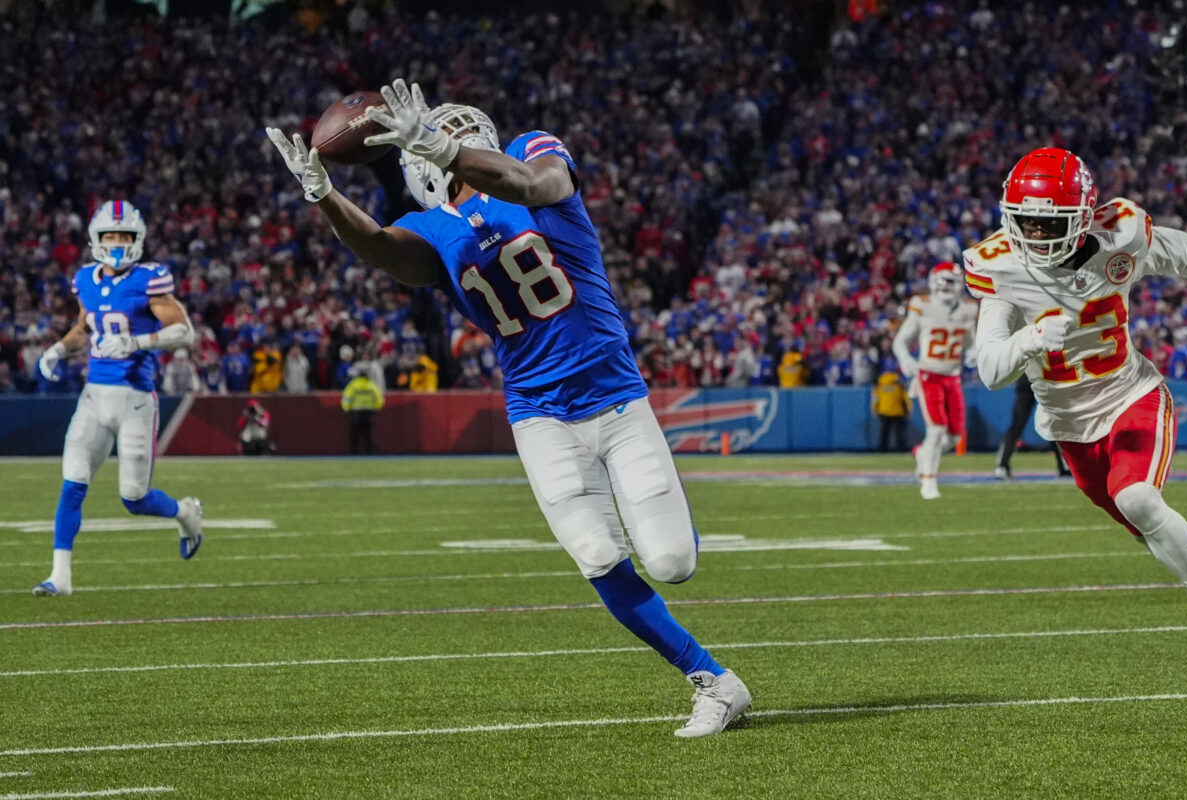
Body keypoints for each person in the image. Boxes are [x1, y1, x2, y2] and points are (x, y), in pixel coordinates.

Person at [267, 78, 750, 737]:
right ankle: (714, 681)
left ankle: (675, 529)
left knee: (672, 564)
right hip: (539, 415)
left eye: (460, 135)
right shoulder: (432, 229)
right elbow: (384, 249)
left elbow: (537, 185)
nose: (453, 142)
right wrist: (325, 195)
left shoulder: (533, 156)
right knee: (596, 555)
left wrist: (440, 147)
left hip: (613, 397)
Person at [970, 146, 1187, 618]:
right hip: (1067, 427)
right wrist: (1031, 338)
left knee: (1137, 497)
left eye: (1050, 223)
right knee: (1142, 524)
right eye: (1025, 221)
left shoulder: (1121, 236)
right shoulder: (1003, 268)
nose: (1035, 234)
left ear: (1083, 215)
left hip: (1131, 394)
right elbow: (992, 370)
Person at [32, 201, 203, 596]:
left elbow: (184, 332)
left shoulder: (149, 279)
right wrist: (58, 349)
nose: (117, 243)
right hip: (94, 397)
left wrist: (135, 341)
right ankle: (60, 576)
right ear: (96, 239)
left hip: (136, 401)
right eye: (111, 235)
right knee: (73, 482)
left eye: (124, 236)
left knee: (134, 498)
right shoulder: (85, 280)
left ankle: (186, 513)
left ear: (137, 240)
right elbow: (84, 328)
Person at [892, 262, 978, 499]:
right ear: (934, 280)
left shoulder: (968, 310)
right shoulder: (924, 306)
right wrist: (905, 358)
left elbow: (970, 343)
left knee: (954, 436)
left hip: (953, 377)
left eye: (952, 281)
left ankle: (923, 453)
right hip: (929, 374)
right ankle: (928, 481)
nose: (947, 286)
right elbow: (900, 341)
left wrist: (973, 353)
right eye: (944, 280)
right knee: (937, 429)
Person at [994, 374, 1071, 480]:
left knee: (1018, 425)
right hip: (1042, 380)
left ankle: (1002, 466)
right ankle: (1064, 466)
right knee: (1052, 425)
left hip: (1031, 379)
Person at [341, 364, 385, 454]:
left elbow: (347, 398)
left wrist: (346, 409)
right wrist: (376, 408)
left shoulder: (353, 385)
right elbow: (379, 398)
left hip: (355, 412)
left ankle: (353, 452)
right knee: (368, 435)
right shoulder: (371, 385)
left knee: (354, 434)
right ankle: (369, 452)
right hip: (368, 412)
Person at [872, 369, 911, 452]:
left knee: (884, 433)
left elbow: (875, 399)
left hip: (884, 411)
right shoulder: (899, 384)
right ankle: (900, 449)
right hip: (898, 411)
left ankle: (882, 449)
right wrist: (908, 410)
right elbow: (905, 399)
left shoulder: (880, 384)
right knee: (900, 433)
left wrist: (875, 409)